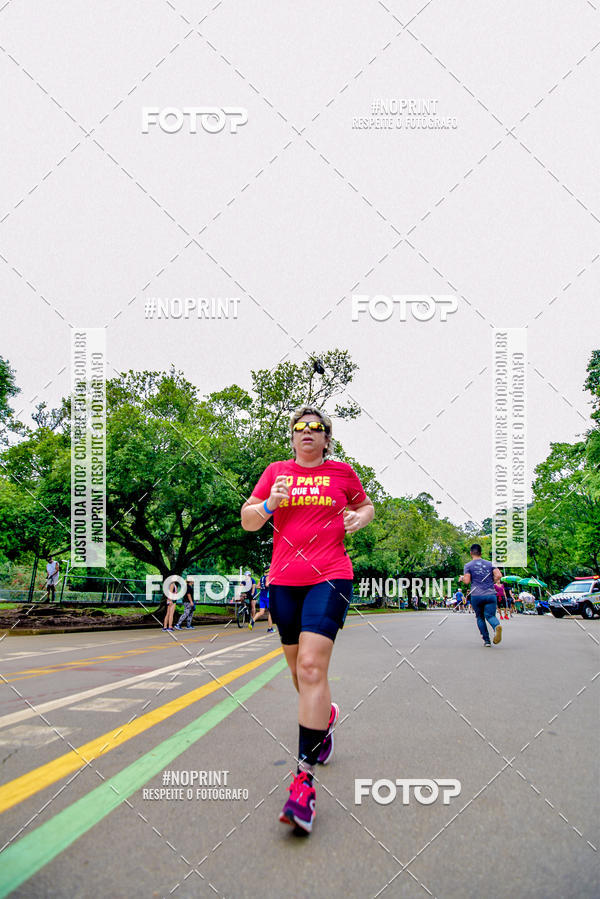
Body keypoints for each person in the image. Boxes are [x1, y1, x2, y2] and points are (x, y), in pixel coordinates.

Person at [241, 405, 374, 833]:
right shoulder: (276, 472)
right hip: (284, 580)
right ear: (293, 436)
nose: (307, 432)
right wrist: (270, 503)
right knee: (300, 675)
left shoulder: (342, 473)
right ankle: (325, 717)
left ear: (326, 438)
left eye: (316, 427)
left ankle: (303, 783)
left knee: (312, 667)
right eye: (300, 427)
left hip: (331, 575)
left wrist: (358, 518)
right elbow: (248, 521)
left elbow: (366, 506)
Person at [459, 544, 503, 647]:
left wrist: (462, 578)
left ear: (471, 553)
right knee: (490, 616)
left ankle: (487, 641)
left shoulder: (468, 565)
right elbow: (499, 575)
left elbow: (467, 581)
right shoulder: (490, 564)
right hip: (490, 594)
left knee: (480, 617)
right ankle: (496, 626)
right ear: (481, 553)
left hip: (476, 595)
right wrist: (492, 581)